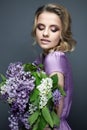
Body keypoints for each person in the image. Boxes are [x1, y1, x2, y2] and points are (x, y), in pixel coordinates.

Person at [32, 3, 76, 130]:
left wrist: (47, 127)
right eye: (40, 27)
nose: (45, 33)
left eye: (53, 29)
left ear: (63, 33)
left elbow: (58, 101)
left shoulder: (53, 59)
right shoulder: (46, 57)